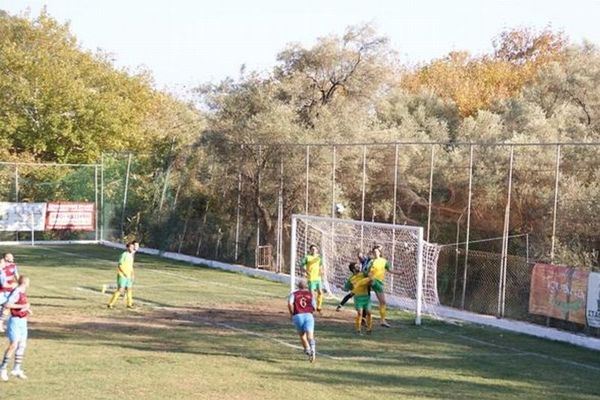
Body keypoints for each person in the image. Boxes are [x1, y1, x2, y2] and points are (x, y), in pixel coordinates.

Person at [0, 275, 31, 381]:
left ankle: (16, 369)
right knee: (13, 345)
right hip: (15, 321)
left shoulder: (22, 292)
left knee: (22, 345)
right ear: (25, 283)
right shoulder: (17, 291)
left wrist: (27, 309)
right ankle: (2, 368)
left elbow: (21, 304)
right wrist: (22, 307)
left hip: (23, 321)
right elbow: (7, 304)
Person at [287, 279, 317, 362]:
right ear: (306, 286)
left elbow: (290, 303)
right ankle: (313, 349)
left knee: (302, 335)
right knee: (310, 335)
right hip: (309, 315)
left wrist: (291, 313)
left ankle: (307, 350)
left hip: (298, 315)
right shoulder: (310, 294)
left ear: (298, 286)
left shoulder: (294, 294)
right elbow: (314, 307)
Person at [365, 245, 392, 327]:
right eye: (374, 252)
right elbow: (366, 271)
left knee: (383, 302)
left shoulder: (384, 261)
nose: (375, 253)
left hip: (379, 282)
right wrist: (369, 277)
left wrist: (400, 273)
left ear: (380, 253)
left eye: (377, 251)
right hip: (373, 281)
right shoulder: (371, 261)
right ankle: (380, 321)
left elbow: (390, 270)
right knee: (381, 301)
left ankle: (382, 321)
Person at [343, 263, 373, 335]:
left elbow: (370, 276)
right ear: (353, 269)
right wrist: (342, 287)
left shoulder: (363, 274)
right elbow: (347, 288)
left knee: (369, 313)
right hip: (358, 298)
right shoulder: (351, 279)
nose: (359, 267)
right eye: (357, 267)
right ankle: (358, 330)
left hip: (366, 296)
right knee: (360, 313)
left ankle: (369, 329)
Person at [107, 242, 135, 309]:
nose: (132, 248)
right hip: (122, 275)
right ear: (127, 248)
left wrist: (132, 274)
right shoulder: (124, 255)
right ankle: (110, 303)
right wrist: (124, 273)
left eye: (133, 247)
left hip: (129, 275)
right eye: (130, 247)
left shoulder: (131, 256)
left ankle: (129, 304)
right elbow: (120, 265)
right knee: (120, 289)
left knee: (129, 289)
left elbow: (131, 266)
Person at [301, 245, 324, 313]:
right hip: (311, 278)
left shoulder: (319, 257)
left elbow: (320, 266)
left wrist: (322, 271)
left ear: (317, 250)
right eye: (312, 249)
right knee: (312, 293)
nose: (314, 250)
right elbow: (302, 265)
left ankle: (319, 306)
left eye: (315, 249)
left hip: (318, 278)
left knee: (320, 292)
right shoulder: (307, 257)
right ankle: (312, 306)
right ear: (310, 250)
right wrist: (305, 271)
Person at [0, 253, 20, 332]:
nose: (13, 258)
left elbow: (17, 275)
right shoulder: (1, 268)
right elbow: (3, 283)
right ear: (5, 258)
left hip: (9, 291)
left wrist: (20, 283)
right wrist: (13, 285)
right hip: (1, 290)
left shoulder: (13, 266)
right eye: (11, 257)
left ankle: (0, 324)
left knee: (6, 307)